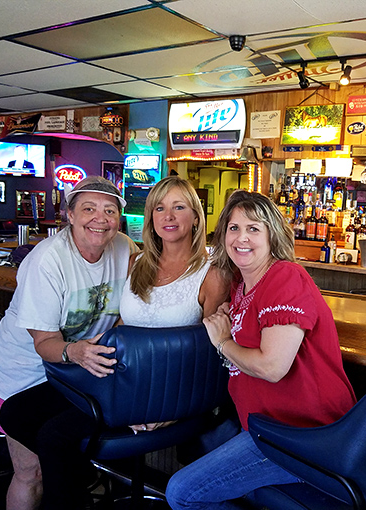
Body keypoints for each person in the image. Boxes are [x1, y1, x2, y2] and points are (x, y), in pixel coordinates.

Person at [34, 175, 230, 509]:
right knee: (23, 410)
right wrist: (91, 347)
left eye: (179, 207)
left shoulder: (213, 272)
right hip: (122, 379)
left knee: (54, 436)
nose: (168, 216)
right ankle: (88, 489)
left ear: (196, 216)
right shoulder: (136, 262)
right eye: (159, 208)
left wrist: (174, 410)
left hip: (168, 394)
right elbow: (125, 325)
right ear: (151, 217)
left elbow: (213, 353)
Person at [166, 190, 357, 509]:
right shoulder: (240, 285)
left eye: (254, 228)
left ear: (273, 235)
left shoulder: (285, 276)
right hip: (266, 430)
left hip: (303, 437)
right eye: (233, 228)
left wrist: (224, 342)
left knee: (183, 493)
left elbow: (272, 366)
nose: (242, 237)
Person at [0, 175, 138, 510]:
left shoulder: (124, 247)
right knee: (30, 473)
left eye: (109, 211)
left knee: (59, 459)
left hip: (74, 375)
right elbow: (45, 342)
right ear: (70, 215)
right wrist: (75, 351)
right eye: (88, 208)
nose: (100, 218)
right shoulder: (48, 260)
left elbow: (142, 297)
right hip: (24, 374)